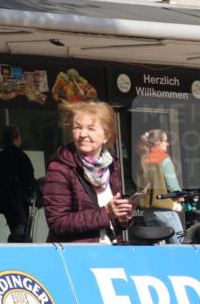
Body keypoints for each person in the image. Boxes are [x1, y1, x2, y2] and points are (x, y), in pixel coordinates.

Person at [43, 100, 133, 243]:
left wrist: (123, 218)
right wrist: (106, 213)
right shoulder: (60, 167)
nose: (83, 134)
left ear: (106, 136)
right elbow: (58, 223)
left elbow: (113, 223)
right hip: (76, 256)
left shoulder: (113, 166)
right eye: (77, 127)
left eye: (91, 129)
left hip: (110, 251)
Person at [136, 129, 183, 244]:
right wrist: (180, 197)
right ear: (158, 143)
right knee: (180, 244)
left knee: (158, 249)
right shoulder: (163, 158)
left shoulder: (143, 160)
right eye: (165, 141)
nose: (167, 144)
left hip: (148, 212)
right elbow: (172, 184)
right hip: (165, 209)